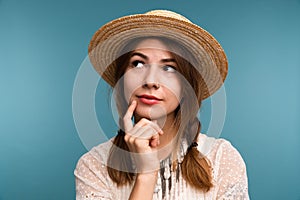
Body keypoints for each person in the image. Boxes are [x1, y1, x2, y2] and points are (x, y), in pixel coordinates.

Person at [74, 10, 249, 200]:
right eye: (138, 64)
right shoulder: (94, 165)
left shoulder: (222, 159)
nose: (150, 81)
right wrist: (146, 174)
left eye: (169, 68)